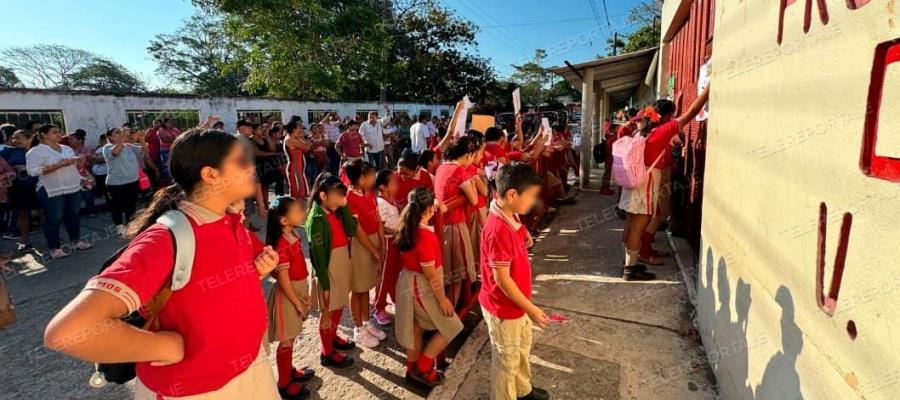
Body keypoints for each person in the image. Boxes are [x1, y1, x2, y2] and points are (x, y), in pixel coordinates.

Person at [43, 129, 283, 399]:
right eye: (241, 161)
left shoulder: (231, 221)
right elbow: (69, 331)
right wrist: (164, 347)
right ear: (211, 175)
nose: (252, 167)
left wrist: (255, 272)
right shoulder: (166, 239)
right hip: (195, 389)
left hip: (248, 369)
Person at [620, 87, 710, 281]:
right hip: (644, 183)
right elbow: (691, 113)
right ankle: (630, 269)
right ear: (666, 117)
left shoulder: (641, 133)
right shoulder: (660, 133)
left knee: (631, 221)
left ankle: (628, 262)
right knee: (639, 225)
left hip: (632, 181)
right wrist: (708, 89)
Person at [479, 162, 549, 400]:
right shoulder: (498, 230)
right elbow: (502, 281)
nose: (533, 202)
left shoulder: (509, 213)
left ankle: (523, 390)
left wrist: (524, 232)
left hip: (517, 304)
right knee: (506, 361)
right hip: (504, 307)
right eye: (531, 197)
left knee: (520, 351)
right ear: (511, 194)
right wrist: (532, 309)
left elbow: (515, 219)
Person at [395, 187, 463, 387]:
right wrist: (443, 299)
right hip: (421, 286)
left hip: (410, 280)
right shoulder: (424, 236)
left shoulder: (408, 223)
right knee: (451, 326)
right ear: (428, 209)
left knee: (417, 328)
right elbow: (431, 274)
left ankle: (411, 369)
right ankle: (424, 368)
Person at [304, 173, 357, 369]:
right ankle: (327, 352)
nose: (341, 198)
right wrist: (324, 285)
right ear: (323, 196)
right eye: (337, 195)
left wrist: (345, 207)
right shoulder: (316, 219)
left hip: (341, 263)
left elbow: (351, 229)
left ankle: (333, 337)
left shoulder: (335, 211)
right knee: (328, 311)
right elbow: (317, 257)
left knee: (338, 306)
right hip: (328, 268)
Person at [265, 196, 316, 400]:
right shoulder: (282, 244)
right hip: (288, 296)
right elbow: (284, 280)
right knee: (286, 341)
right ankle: (284, 383)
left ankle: (289, 371)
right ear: (283, 220)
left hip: (297, 291)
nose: (302, 212)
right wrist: (298, 303)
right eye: (297, 210)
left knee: (292, 336)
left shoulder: (293, 233)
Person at [26, 124, 92, 258]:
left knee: (73, 214)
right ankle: (54, 248)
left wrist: (80, 162)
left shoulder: (66, 148)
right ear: (44, 135)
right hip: (51, 188)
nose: (59, 134)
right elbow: (33, 171)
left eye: (59, 132)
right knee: (54, 217)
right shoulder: (35, 151)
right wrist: (59, 164)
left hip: (72, 186)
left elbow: (73, 166)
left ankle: (76, 241)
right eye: (54, 132)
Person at [343, 160, 385, 348]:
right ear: (361, 179)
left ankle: (367, 322)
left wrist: (382, 242)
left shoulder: (369, 193)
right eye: (371, 175)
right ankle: (358, 328)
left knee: (367, 284)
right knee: (358, 288)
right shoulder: (349, 199)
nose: (374, 178)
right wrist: (374, 249)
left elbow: (377, 218)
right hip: (362, 246)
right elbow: (358, 230)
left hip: (373, 240)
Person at [433, 136, 479, 307]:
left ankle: (450, 304)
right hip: (455, 224)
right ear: (468, 155)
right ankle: (452, 308)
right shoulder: (459, 171)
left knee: (449, 268)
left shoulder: (441, 167)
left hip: (442, 224)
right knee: (458, 270)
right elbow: (474, 199)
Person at [101, 127, 143, 235]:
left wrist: (141, 138)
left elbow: (144, 150)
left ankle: (130, 225)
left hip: (132, 181)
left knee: (131, 205)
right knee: (117, 206)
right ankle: (119, 226)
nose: (120, 134)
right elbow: (115, 152)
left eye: (121, 132)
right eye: (117, 133)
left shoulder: (128, 146)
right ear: (110, 136)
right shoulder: (107, 147)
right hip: (116, 183)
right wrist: (123, 137)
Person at [373, 170, 401, 326]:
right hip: (388, 244)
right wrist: (398, 231)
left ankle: (395, 300)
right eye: (393, 182)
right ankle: (379, 307)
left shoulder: (393, 200)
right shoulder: (381, 203)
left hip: (396, 242)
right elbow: (382, 228)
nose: (396, 184)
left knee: (395, 274)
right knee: (384, 277)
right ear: (383, 187)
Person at [2, 130, 38, 249]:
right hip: (18, 188)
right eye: (13, 138)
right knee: (22, 214)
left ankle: (54, 237)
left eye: (18, 138)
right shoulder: (9, 151)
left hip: (38, 185)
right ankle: (26, 241)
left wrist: (26, 168)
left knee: (46, 212)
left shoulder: (37, 151)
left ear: (29, 138)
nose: (14, 141)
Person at [359, 104, 392, 170]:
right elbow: (361, 136)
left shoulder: (379, 122)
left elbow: (387, 119)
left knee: (379, 167)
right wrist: (366, 143)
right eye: (369, 117)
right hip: (370, 150)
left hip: (380, 149)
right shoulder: (364, 125)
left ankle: (377, 178)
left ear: (376, 117)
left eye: (373, 117)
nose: (371, 119)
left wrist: (388, 110)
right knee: (370, 167)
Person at [284, 121, 311, 201]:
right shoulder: (290, 139)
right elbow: (307, 147)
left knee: (301, 193)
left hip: (299, 169)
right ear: (294, 129)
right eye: (299, 128)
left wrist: (301, 138)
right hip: (295, 169)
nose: (301, 130)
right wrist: (302, 137)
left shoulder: (295, 138)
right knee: (297, 194)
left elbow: (309, 146)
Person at [156, 118, 181, 185]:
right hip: (166, 150)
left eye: (172, 122)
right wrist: (175, 139)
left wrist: (176, 139)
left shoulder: (175, 130)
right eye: (169, 122)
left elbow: (180, 137)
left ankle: (176, 180)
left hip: (175, 149)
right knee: (166, 166)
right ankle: (169, 181)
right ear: (165, 123)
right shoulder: (161, 130)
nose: (171, 123)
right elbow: (166, 139)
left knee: (175, 165)